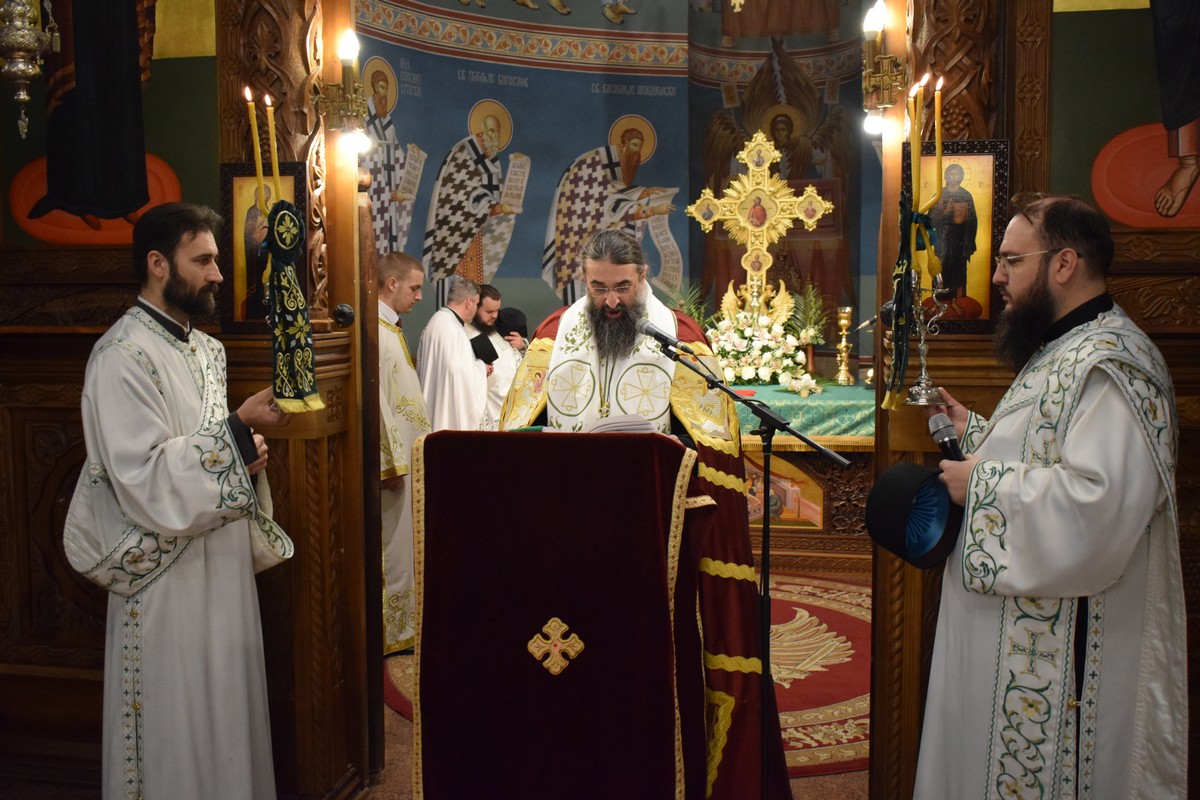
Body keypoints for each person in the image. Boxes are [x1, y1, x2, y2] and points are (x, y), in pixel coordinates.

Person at [500, 229, 791, 800]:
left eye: (622, 288)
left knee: (636, 662)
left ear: (644, 277)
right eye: (598, 287)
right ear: (584, 280)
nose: (611, 301)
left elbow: (714, 448)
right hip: (570, 532)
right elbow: (516, 431)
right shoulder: (552, 335)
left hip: (652, 536)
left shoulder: (680, 338)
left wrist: (669, 458)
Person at [916, 194, 1186, 798]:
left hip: (1064, 658)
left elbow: (1099, 507)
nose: (996, 276)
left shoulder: (1112, 365)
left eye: (1012, 260)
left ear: (1064, 264)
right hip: (1012, 634)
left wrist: (980, 485)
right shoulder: (1066, 347)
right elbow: (1044, 453)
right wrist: (973, 434)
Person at [62, 202, 293, 799]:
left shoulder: (206, 350)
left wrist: (245, 453)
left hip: (221, 568)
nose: (218, 274)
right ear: (158, 264)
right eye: (203, 260)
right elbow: (140, 477)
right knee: (176, 723)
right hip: (165, 584)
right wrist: (237, 432)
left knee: (225, 713)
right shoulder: (122, 356)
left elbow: (204, 450)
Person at [541, 122, 677, 305]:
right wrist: (650, 210)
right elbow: (609, 204)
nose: (637, 151)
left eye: (640, 147)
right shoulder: (598, 163)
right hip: (580, 241)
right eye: (634, 145)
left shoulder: (611, 170)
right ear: (623, 144)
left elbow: (614, 193)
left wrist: (645, 193)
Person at [377, 252, 432, 654]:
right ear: (392, 283)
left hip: (407, 461)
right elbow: (378, 403)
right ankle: (391, 634)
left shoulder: (389, 328)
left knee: (405, 545)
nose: (419, 296)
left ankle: (404, 627)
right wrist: (390, 463)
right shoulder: (376, 333)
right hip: (394, 468)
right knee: (392, 548)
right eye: (414, 287)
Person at [422, 109, 519, 305]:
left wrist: (504, 206)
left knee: (474, 291)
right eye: (490, 131)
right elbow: (459, 197)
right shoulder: (464, 153)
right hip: (455, 237)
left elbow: (495, 198)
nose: (494, 136)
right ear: (481, 129)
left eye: (497, 132)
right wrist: (497, 208)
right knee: (455, 293)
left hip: (477, 238)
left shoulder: (493, 162)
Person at [417, 275, 488, 431]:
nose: (476, 309)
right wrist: (482, 368)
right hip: (447, 414)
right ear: (468, 302)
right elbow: (456, 370)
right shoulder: (451, 327)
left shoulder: (438, 321)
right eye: (476, 304)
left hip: (435, 404)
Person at [464, 284, 524, 431]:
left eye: (497, 310)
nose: (495, 316)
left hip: (513, 409)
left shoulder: (497, 328)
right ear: (474, 307)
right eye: (489, 311)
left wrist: (523, 346)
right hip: (490, 413)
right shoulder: (466, 334)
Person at [928, 163, 978, 305]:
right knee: (941, 267)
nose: (954, 177)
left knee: (959, 269)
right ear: (946, 176)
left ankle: (958, 301)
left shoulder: (966, 195)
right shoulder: (939, 195)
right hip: (942, 239)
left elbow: (973, 220)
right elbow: (930, 220)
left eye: (957, 174)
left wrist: (965, 219)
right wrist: (946, 213)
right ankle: (939, 301)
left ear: (961, 177)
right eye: (952, 174)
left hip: (960, 239)